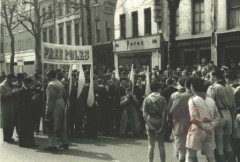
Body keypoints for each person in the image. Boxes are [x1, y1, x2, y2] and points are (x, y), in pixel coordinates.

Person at [186, 78, 220, 162]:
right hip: (210, 130)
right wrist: (211, 126)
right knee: (211, 157)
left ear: (193, 87)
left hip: (196, 130)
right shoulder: (211, 100)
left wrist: (203, 127)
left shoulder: (192, 99)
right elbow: (217, 116)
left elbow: (193, 117)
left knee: (190, 156)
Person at [207, 69, 236, 162]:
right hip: (229, 115)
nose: (210, 78)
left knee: (219, 147)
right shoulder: (229, 87)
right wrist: (233, 118)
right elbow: (234, 106)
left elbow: (211, 104)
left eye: (211, 76)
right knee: (228, 145)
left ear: (215, 77)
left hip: (219, 115)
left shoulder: (213, 88)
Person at [44, 70, 69, 151]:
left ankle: (52, 145)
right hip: (61, 103)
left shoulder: (51, 84)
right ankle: (65, 142)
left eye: (47, 76)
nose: (46, 77)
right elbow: (65, 94)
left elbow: (50, 98)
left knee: (51, 124)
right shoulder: (59, 83)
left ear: (49, 76)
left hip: (54, 105)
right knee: (62, 124)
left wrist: (48, 110)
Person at [170, 77, 193, 162]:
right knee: (192, 153)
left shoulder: (180, 96)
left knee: (181, 152)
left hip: (181, 125)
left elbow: (172, 111)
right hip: (195, 127)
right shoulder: (199, 97)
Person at [143, 82, 167, 162]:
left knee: (150, 145)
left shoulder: (146, 99)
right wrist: (162, 126)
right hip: (160, 120)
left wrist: (150, 126)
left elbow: (144, 115)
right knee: (161, 145)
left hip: (150, 119)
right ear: (158, 89)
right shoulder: (162, 99)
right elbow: (164, 114)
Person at [16, 77, 38, 148]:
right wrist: (32, 99)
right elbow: (21, 103)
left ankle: (31, 142)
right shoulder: (20, 91)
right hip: (23, 113)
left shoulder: (28, 89)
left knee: (30, 128)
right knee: (23, 128)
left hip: (29, 112)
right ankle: (22, 143)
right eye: (30, 83)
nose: (31, 84)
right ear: (26, 83)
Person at [0, 74, 16, 143]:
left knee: (11, 121)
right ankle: (6, 137)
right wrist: (12, 93)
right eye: (11, 79)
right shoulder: (2, 85)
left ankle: (10, 136)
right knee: (6, 121)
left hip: (12, 106)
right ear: (8, 78)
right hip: (6, 106)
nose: (12, 81)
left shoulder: (12, 85)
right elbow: (2, 97)